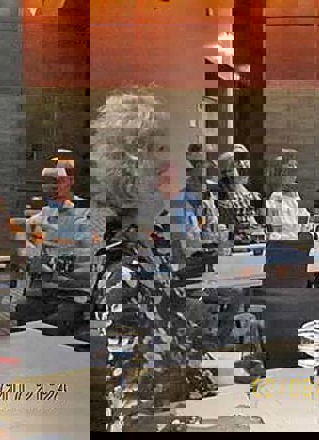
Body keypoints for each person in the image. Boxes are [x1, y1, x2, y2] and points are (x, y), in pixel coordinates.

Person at [89, 88, 216, 432]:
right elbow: (128, 411)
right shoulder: (124, 272)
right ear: (138, 165)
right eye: (169, 152)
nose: (185, 165)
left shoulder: (155, 252)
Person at [22, 151, 92, 335]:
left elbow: (87, 265)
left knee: (53, 326)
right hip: (44, 295)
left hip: (76, 297)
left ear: (70, 181)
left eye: (58, 180)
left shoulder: (87, 217)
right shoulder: (35, 222)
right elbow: (33, 264)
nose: (52, 187)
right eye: (48, 182)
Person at [215, 144, 263, 244]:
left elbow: (254, 221)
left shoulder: (252, 195)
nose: (242, 164)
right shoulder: (220, 194)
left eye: (244, 160)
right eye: (237, 162)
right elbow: (227, 226)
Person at [264, 152, 314, 240]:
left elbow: (306, 223)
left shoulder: (296, 196)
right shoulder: (276, 198)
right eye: (290, 165)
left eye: (295, 165)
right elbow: (280, 231)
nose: (294, 169)